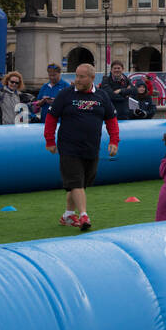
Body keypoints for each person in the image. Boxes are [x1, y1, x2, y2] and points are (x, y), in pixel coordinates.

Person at [44, 63, 119, 231]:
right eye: (76, 76)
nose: (77, 79)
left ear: (92, 78)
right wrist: (49, 140)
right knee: (76, 182)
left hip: (91, 148)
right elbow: (51, 117)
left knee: (80, 184)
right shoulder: (65, 94)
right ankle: (84, 215)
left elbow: (111, 120)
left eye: (81, 76)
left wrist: (114, 141)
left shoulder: (102, 96)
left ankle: (68, 215)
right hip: (69, 148)